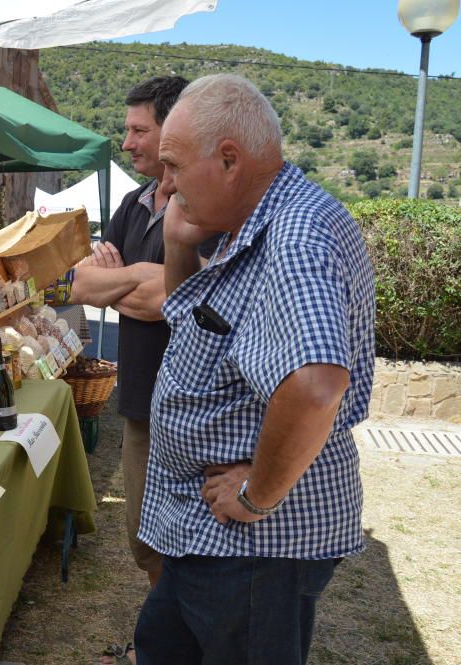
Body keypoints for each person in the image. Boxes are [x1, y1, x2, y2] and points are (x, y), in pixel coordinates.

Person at [135, 74, 375, 665]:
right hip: (211, 533)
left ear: (228, 159)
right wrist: (180, 246)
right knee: (160, 644)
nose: (164, 185)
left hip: (254, 544)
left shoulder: (294, 235)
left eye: (172, 165)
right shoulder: (252, 222)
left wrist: (256, 495)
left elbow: (316, 387)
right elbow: (195, 325)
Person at [71, 76, 196, 591]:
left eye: (138, 130)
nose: (126, 143)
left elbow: (168, 299)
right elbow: (81, 281)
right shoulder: (134, 203)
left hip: (189, 410)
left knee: (187, 547)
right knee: (144, 542)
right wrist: (142, 279)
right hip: (140, 405)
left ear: (175, 130)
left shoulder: (203, 208)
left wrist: (122, 284)